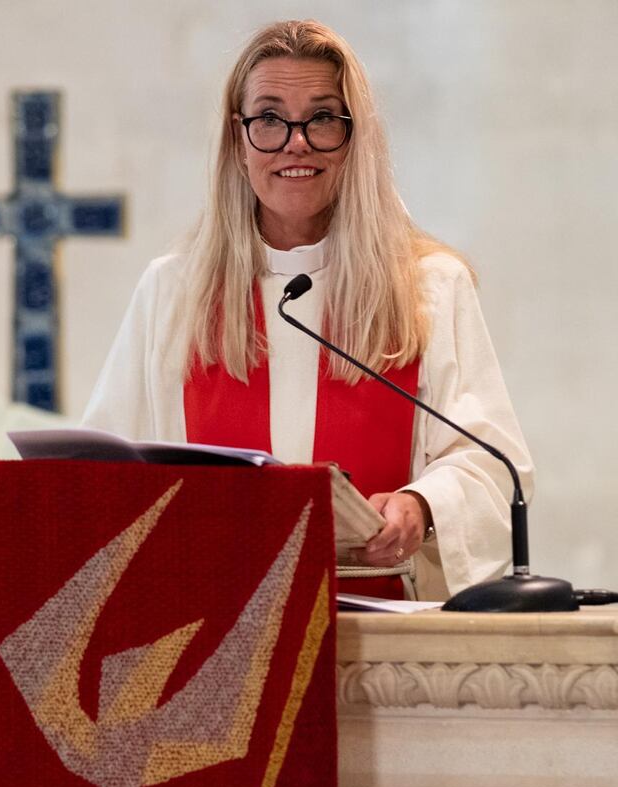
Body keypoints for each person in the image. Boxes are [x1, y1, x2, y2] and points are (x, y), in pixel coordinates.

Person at [81, 19, 534, 601]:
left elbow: (490, 464)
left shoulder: (427, 288)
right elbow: (103, 474)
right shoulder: (176, 291)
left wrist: (421, 505)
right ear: (237, 140)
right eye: (269, 117)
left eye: (322, 117)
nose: (296, 141)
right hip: (214, 621)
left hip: (378, 630)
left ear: (355, 138)